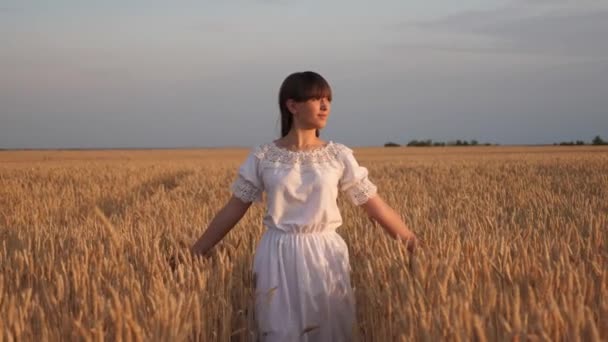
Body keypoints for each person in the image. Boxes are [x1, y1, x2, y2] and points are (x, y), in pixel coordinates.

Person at [190, 71, 419, 341]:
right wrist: (196, 251)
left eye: (328, 100)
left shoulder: (338, 155)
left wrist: (413, 242)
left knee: (330, 331)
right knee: (278, 331)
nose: (325, 106)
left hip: (325, 255)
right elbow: (234, 209)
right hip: (277, 254)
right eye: (316, 99)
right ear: (292, 105)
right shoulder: (264, 156)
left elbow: (374, 206)